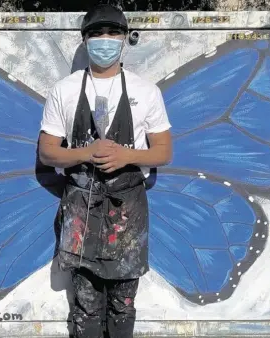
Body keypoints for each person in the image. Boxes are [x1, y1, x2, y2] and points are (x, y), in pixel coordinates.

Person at [38, 4, 172, 338]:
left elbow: (165, 151)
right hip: (81, 209)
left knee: (123, 303)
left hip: (127, 210)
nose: (105, 40)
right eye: (97, 33)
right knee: (85, 303)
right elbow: (46, 150)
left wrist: (127, 155)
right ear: (85, 40)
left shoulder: (146, 91)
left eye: (113, 33)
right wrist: (86, 152)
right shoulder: (64, 90)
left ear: (125, 38)